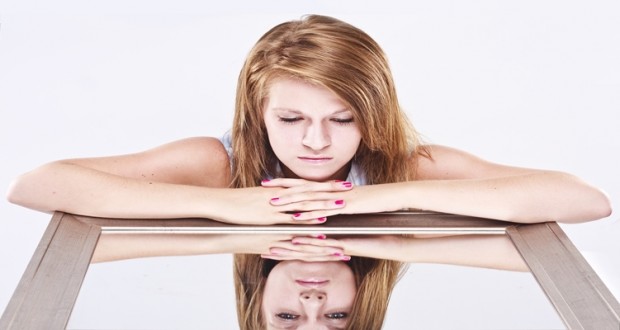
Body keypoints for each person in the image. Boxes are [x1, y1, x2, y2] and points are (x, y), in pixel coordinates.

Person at [6, 14, 611, 329]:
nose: (316, 141)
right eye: (292, 117)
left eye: (342, 118)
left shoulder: (399, 163)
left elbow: (584, 199)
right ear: (258, 113)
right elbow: (37, 184)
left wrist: (363, 206)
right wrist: (229, 208)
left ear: (370, 115)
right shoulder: (222, 161)